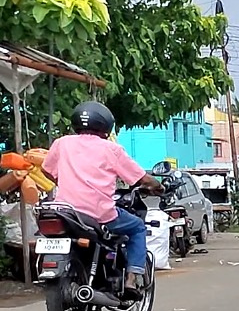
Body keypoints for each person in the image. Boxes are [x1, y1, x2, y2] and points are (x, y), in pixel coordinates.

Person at [42, 100, 162, 293]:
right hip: (98, 213)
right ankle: (132, 278)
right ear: (105, 125)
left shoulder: (61, 143)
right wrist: (158, 186)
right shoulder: (111, 149)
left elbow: (47, 170)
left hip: (65, 211)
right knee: (138, 227)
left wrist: (65, 181)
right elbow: (141, 178)